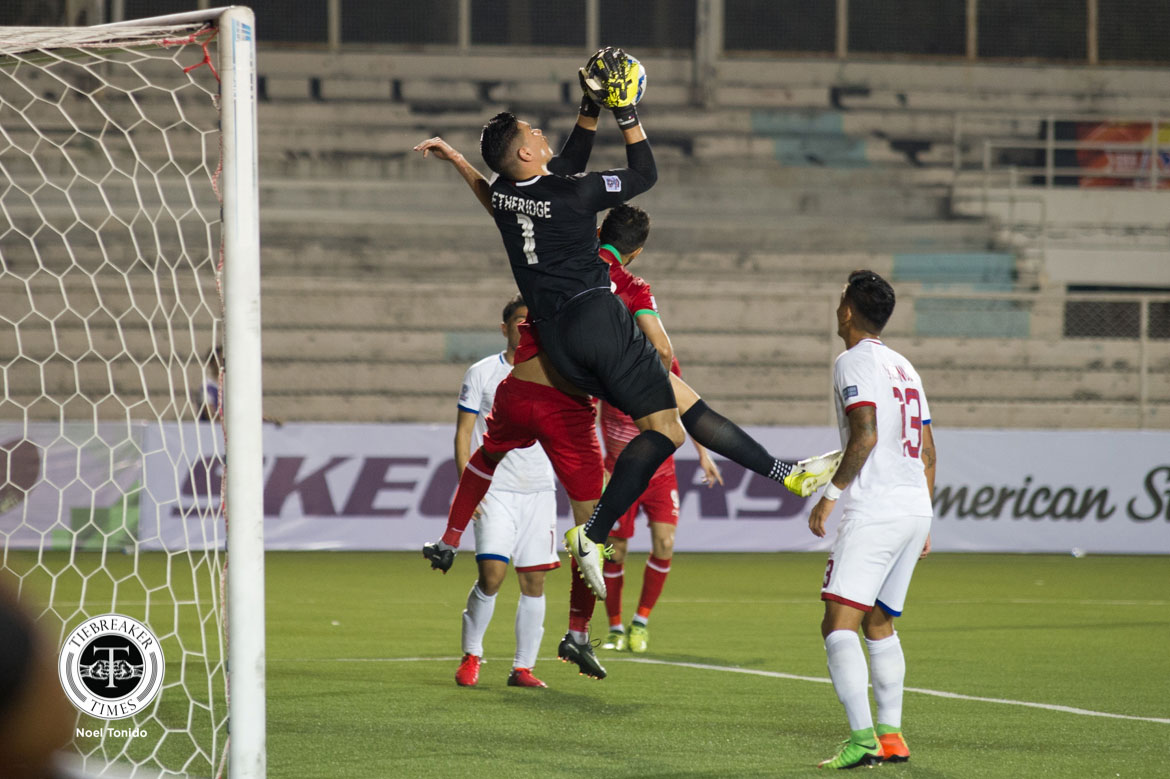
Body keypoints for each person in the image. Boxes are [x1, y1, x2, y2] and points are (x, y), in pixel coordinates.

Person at [415, 47, 841, 606]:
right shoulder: (572, 194)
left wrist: (581, 111)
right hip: (597, 320)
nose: (544, 134)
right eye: (535, 132)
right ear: (523, 150)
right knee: (666, 432)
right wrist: (627, 110)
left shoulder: (506, 195)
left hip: (559, 345)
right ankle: (592, 536)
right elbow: (646, 173)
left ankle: (788, 475)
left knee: (682, 401)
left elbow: (529, 175)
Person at [806, 270, 937, 769]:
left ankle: (862, 740)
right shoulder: (905, 367)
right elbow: (926, 449)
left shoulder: (851, 362)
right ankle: (892, 736)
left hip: (876, 507)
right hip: (911, 508)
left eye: (841, 298)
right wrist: (923, 518)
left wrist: (830, 495)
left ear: (847, 312)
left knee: (838, 624)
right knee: (879, 622)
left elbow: (865, 434)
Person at [592, 205, 723, 655]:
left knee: (664, 541)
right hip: (619, 464)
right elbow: (589, 410)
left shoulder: (657, 361)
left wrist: (704, 455)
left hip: (661, 468)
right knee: (615, 548)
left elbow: (688, 406)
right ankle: (613, 626)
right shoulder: (605, 360)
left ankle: (641, 622)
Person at [449, 294, 560, 689]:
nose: (525, 327)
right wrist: (469, 488)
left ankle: (522, 667)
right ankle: (472, 655)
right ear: (505, 328)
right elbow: (464, 435)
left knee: (534, 582)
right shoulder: (482, 372)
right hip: (494, 489)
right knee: (492, 575)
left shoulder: (554, 372)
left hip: (539, 492)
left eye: (532, 321)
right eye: (518, 321)